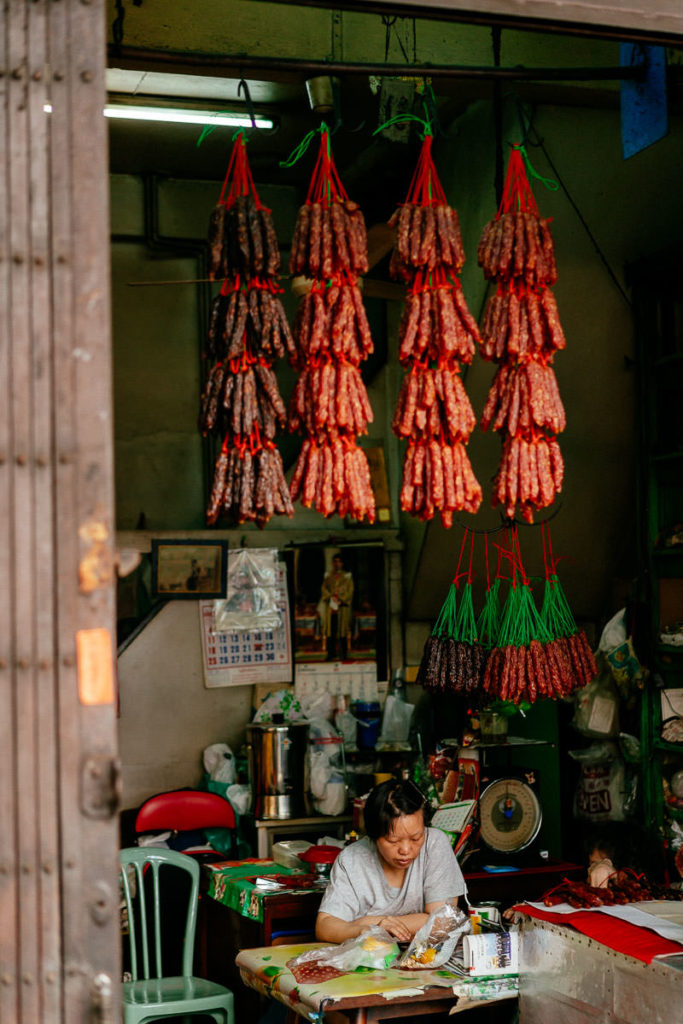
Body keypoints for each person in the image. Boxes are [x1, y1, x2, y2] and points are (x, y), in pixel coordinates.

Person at [316, 778, 467, 943]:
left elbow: (443, 922)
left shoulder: (435, 843)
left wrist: (367, 924)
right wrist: (363, 929)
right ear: (374, 835)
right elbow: (325, 926)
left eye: (416, 838)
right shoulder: (352, 859)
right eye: (393, 841)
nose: (406, 850)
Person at [318, 552, 354, 660]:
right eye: (335, 562)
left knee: (342, 630)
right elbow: (324, 588)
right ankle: (331, 653)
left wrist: (341, 600)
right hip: (331, 607)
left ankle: (343, 654)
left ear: (342, 563)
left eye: (339, 562)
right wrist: (330, 598)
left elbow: (350, 590)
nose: (337, 564)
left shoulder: (347, 576)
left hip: (342, 607)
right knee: (331, 631)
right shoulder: (328, 576)